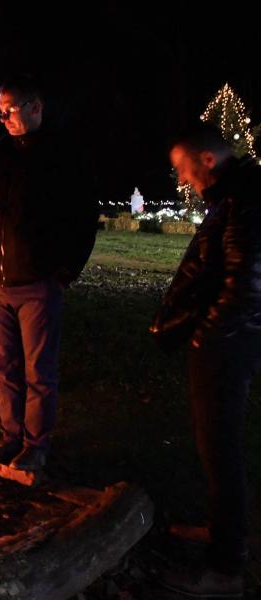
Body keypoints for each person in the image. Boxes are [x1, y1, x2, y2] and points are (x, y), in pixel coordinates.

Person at [151, 124, 261, 599]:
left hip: (227, 344)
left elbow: (246, 284)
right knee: (218, 445)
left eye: (182, 166)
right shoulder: (235, 197)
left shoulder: (243, 203)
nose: (180, 178)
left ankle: (225, 568)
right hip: (228, 340)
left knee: (220, 447)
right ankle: (225, 533)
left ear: (208, 160)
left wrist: (207, 337)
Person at [0, 74, 97, 471]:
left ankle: (36, 444)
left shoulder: (63, 157)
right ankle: (11, 437)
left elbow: (82, 219)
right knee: (3, 364)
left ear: (35, 107)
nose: (3, 118)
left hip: (37, 282)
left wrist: (62, 272)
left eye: (9, 110)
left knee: (38, 370)